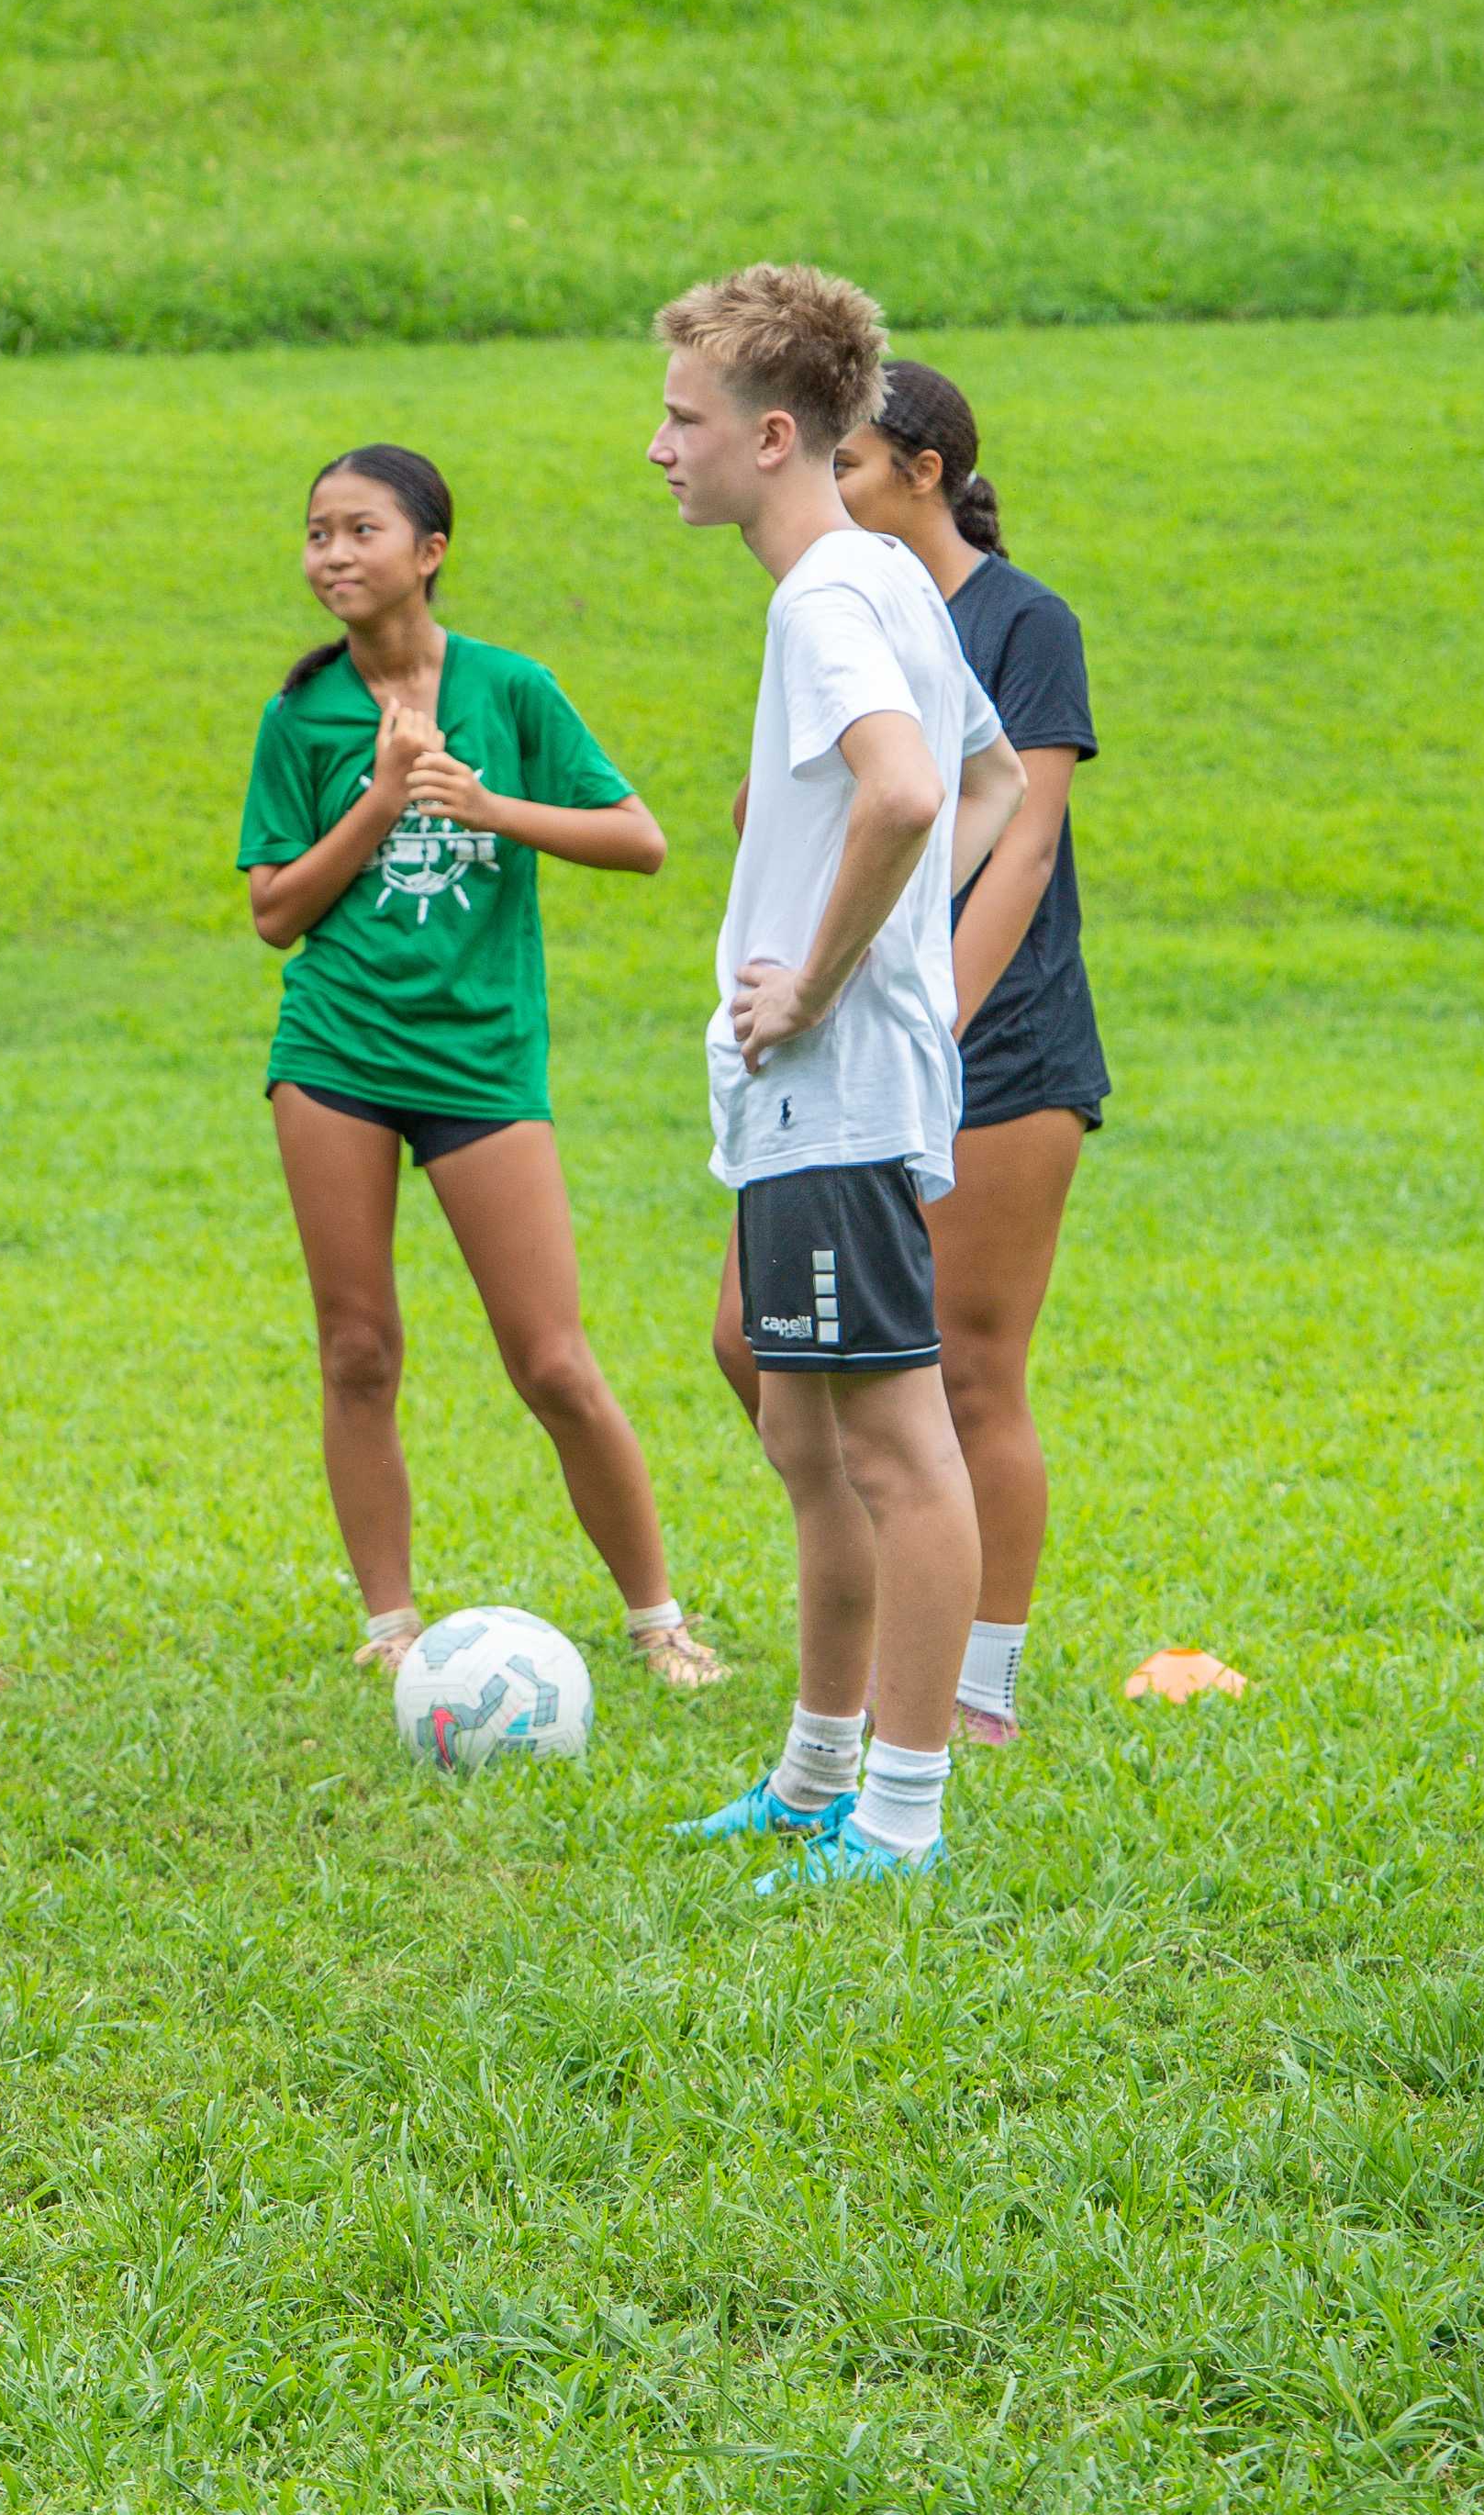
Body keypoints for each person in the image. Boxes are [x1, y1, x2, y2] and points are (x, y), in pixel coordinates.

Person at [642, 268, 1022, 1896]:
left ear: (772, 434)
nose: (658, 446)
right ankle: (813, 1779)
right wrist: (897, 955)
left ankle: (905, 1816)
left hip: (836, 1088)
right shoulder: (884, 576)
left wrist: (825, 975)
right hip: (821, 1089)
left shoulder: (823, 598)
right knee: (802, 1429)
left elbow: (908, 789)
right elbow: (992, 787)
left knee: (894, 1446)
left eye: (681, 417)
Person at [229, 447, 723, 1688]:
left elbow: (641, 841)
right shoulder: (302, 718)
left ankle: (659, 1621)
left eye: (360, 531)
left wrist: (489, 807)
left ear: (430, 552)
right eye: (316, 534)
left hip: (484, 1064)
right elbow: (276, 912)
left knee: (551, 1358)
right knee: (357, 1347)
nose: (333, 556)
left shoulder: (511, 692)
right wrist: (383, 799)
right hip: (335, 1053)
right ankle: (390, 1626)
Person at [704, 363, 1096, 1746]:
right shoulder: (865, 599)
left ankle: (963, 1697)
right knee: (769, 1358)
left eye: (856, 464)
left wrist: (881, 986)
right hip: (857, 1036)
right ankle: (853, 1708)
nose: (838, 486)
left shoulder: (1009, 615)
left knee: (957, 1384)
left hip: (987, 1035)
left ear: (919, 471)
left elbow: (1011, 820)